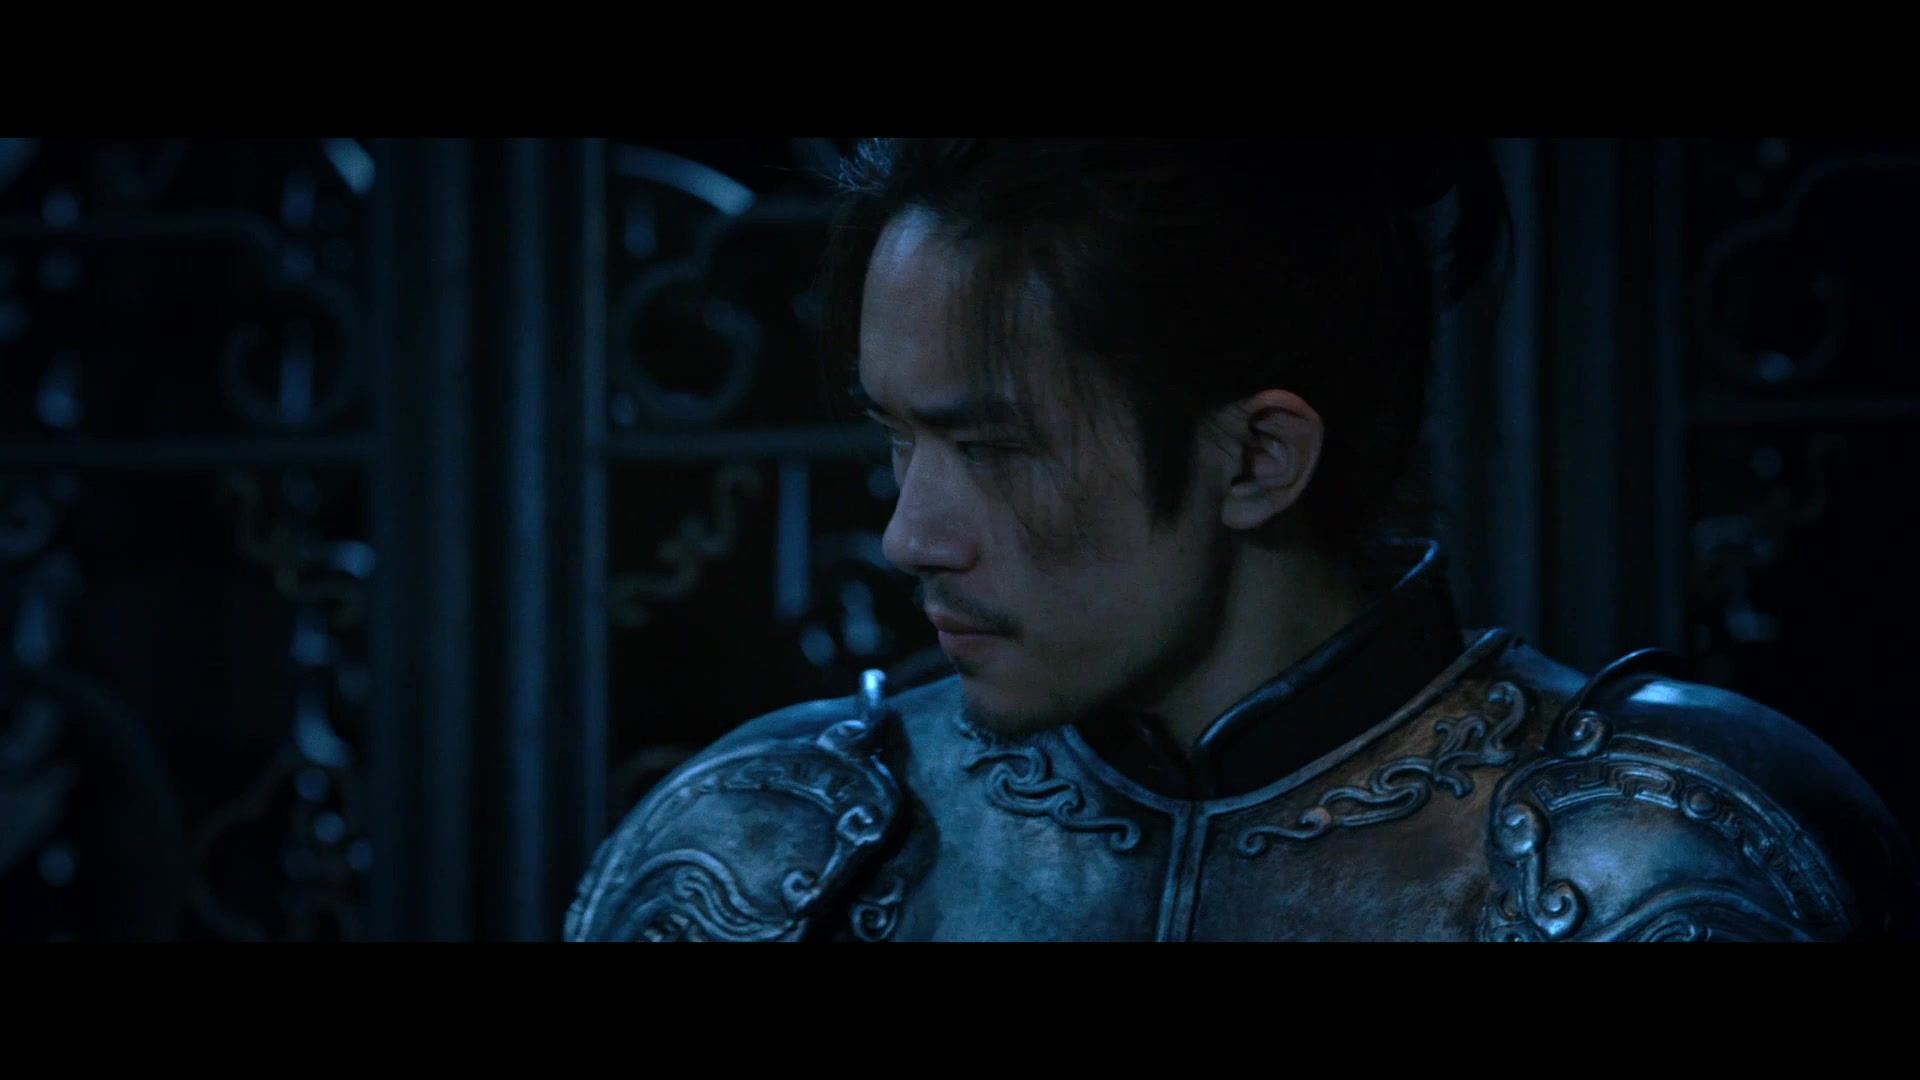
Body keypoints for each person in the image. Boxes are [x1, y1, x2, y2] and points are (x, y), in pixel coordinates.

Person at [566, 138, 1920, 942]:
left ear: (1260, 457)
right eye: (896, 441)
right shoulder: (775, 857)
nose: (909, 536)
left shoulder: (1666, 861)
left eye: (995, 451)